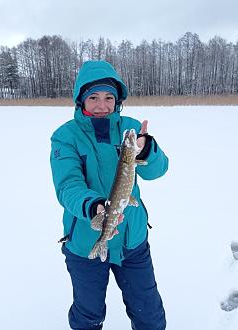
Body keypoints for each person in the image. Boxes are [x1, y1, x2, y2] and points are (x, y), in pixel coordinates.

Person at [50, 60, 169, 330]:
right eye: (93, 97)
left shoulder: (131, 129)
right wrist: (93, 206)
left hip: (132, 238)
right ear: (80, 99)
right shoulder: (65, 137)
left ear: (118, 100)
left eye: (108, 97)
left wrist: (147, 149)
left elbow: (157, 171)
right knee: (88, 315)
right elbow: (67, 185)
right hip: (84, 240)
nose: (102, 105)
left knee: (148, 313)